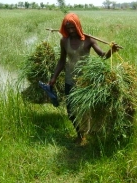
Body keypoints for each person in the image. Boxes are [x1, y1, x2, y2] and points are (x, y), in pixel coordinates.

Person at [48, 13, 120, 145]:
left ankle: (89, 132)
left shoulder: (88, 40)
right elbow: (62, 61)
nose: (70, 31)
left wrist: (112, 51)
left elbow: (103, 56)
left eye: (73, 27)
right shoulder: (64, 41)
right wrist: (53, 78)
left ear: (78, 25)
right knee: (70, 111)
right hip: (70, 79)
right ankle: (80, 134)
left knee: (85, 110)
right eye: (67, 28)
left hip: (85, 81)